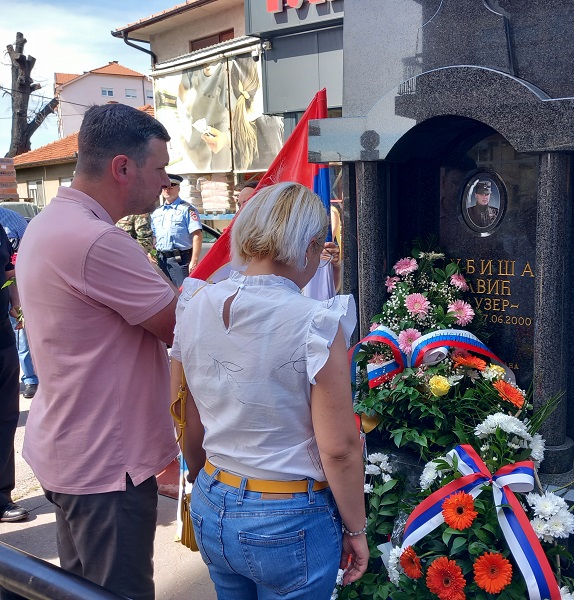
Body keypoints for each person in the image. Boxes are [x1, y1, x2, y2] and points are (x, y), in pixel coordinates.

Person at [172, 182, 368, 598]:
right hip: (287, 512)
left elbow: (184, 411)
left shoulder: (194, 302)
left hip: (213, 494)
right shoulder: (316, 320)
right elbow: (339, 449)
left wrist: (201, 475)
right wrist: (356, 528)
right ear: (312, 246)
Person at [15, 103, 179, 599]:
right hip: (107, 465)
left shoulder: (50, 223)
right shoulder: (97, 240)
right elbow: (180, 327)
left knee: (79, 589)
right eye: (159, 168)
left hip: (71, 446)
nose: (166, 180)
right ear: (122, 168)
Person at [0, 225, 27, 523]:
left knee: (6, 416)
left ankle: (2, 497)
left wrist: (17, 303)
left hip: (3, 334)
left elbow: (9, 269)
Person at [0, 207, 38, 399]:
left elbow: (33, 247)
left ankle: (29, 378)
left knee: (21, 333)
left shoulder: (13, 219)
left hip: (14, 284)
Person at [151, 174, 202, 287]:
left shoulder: (187, 209)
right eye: (164, 187)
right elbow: (155, 237)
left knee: (183, 294)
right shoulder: (156, 213)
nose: (167, 190)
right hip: (161, 260)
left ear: (178, 188)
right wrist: (152, 253)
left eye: (171, 186)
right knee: (166, 295)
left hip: (180, 260)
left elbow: (197, 235)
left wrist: (194, 260)